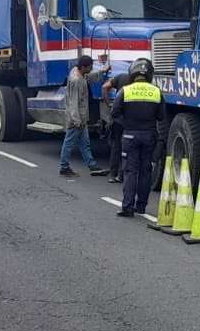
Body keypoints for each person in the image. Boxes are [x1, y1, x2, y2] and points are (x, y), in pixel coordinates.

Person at [111, 59, 165, 216]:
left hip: (129, 135)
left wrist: (127, 123)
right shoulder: (156, 91)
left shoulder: (125, 91)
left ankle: (127, 207)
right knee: (145, 171)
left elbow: (114, 113)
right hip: (149, 135)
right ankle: (141, 206)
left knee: (130, 171)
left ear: (132, 73)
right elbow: (161, 116)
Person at [59, 55, 106, 177]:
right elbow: (73, 102)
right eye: (90, 67)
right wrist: (76, 120)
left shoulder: (77, 72)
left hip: (81, 118)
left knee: (85, 143)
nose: (91, 69)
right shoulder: (76, 81)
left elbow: (88, 77)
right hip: (76, 119)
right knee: (69, 143)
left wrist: (102, 71)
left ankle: (92, 166)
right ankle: (64, 167)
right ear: (84, 67)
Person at [97, 70, 131, 183]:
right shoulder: (141, 83)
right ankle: (122, 175)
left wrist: (109, 104)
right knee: (128, 147)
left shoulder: (121, 76)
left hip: (117, 118)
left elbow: (104, 87)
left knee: (116, 146)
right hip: (132, 118)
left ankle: (113, 174)